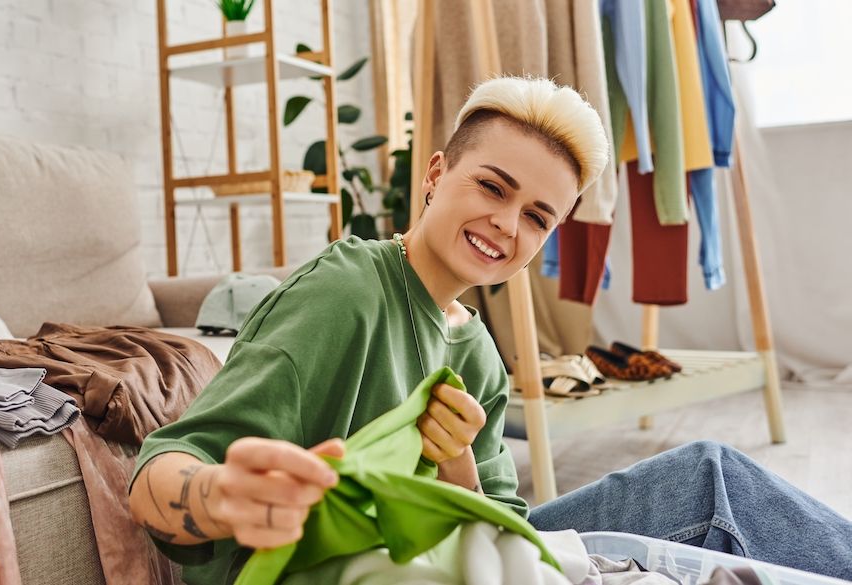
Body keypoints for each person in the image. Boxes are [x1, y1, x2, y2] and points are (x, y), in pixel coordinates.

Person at [129, 76, 852, 584]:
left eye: (538, 215)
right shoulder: (347, 293)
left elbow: (503, 525)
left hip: (454, 558)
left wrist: (458, 468)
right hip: (327, 570)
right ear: (436, 173)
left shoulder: (473, 345)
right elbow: (159, 468)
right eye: (493, 186)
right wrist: (223, 494)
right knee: (706, 481)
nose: (507, 224)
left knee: (705, 473)